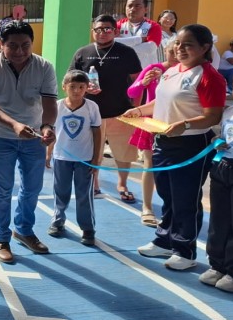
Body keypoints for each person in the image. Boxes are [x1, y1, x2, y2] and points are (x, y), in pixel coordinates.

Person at [128, 24, 225, 271]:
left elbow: (212, 116)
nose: (180, 49)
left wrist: (184, 125)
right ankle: (165, 239)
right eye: (178, 44)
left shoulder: (209, 76)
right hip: (164, 141)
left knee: (186, 199)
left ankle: (185, 249)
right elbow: (160, 102)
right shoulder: (171, 72)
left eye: (188, 44)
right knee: (167, 195)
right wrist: (139, 110)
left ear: (204, 48)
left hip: (191, 145)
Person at [0, 20, 57, 264]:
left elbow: (49, 104)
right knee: (2, 190)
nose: (20, 51)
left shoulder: (44, 67)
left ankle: (23, 230)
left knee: (32, 188)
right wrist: (13, 124)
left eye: (26, 45)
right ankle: (1, 237)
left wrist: (47, 127)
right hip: (0, 136)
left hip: (33, 137)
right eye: (13, 45)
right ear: (1, 44)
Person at [71, 14, 142, 202]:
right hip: (91, 113)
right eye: (98, 29)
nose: (102, 33)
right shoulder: (82, 52)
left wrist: (136, 108)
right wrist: (85, 89)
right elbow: (71, 79)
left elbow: (137, 82)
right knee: (92, 152)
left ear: (115, 31)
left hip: (121, 112)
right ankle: (94, 184)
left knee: (124, 152)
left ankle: (123, 184)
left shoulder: (127, 52)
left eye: (107, 29)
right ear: (93, 31)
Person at [45, 70, 101, 246]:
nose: (76, 90)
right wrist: (48, 153)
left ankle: (87, 228)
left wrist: (95, 159)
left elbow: (97, 132)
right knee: (60, 191)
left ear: (87, 88)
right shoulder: (57, 106)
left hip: (84, 158)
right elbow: (52, 131)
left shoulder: (92, 107)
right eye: (72, 87)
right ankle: (58, 220)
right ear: (64, 87)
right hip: (61, 157)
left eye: (81, 87)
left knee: (84, 194)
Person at [126, 40, 178, 227]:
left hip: (174, 122)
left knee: (172, 167)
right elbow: (132, 92)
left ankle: (170, 208)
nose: (174, 55)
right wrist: (144, 82)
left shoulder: (184, 72)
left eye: (177, 51)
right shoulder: (153, 68)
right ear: (164, 51)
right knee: (149, 163)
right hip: (152, 122)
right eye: (171, 51)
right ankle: (147, 207)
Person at [200, 69, 233, 292]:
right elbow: (222, 136)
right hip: (223, 167)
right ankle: (217, 264)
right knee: (219, 219)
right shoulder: (229, 112)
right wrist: (218, 141)